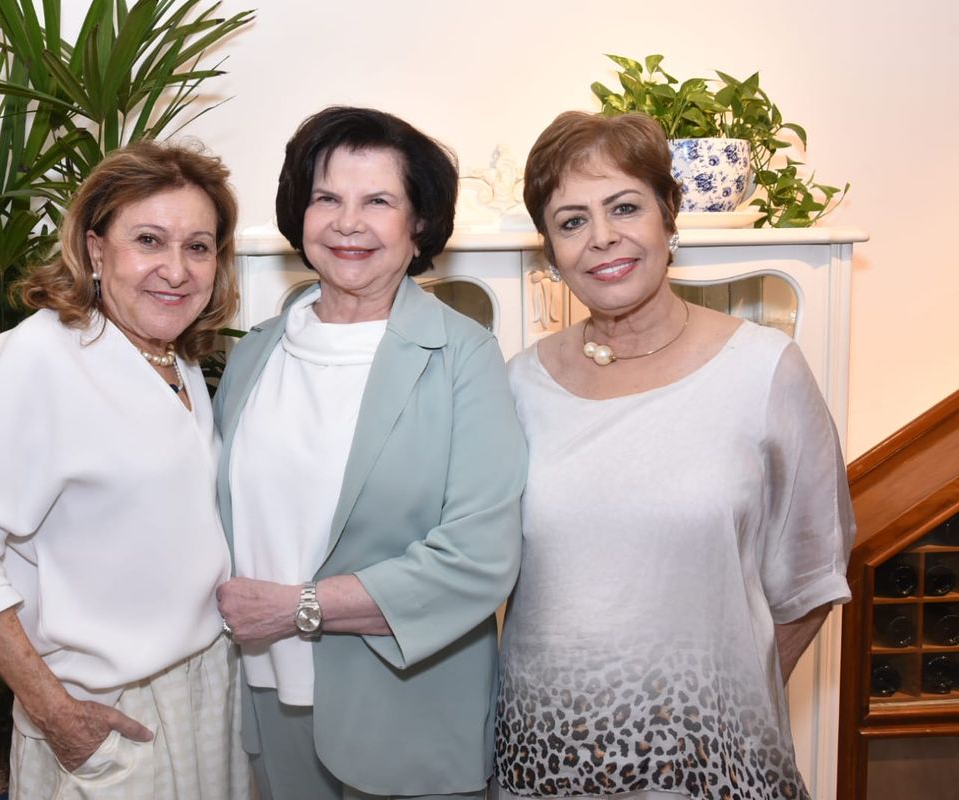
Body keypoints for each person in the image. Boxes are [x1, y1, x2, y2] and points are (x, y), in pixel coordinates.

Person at [492, 110, 855, 800]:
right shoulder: (517, 385)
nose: (602, 238)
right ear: (550, 254)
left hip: (716, 761)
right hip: (543, 757)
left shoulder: (765, 369)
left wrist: (722, 700)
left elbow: (813, 575)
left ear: (669, 219)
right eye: (571, 222)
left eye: (624, 207)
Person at [0, 141, 249, 799]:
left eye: (198, 247)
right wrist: (58, 717)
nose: (176, 270)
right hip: (107, 713)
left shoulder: (175, 361)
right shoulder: (37, 359)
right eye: (149, 240)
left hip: (209, 690)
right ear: (96, 249)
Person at [214, 106, 527, 799]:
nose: (347, 223)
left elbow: (478, 559)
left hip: (408, 721)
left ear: (418, 225)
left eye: (378, 201)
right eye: (327, 198)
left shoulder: (463, 357)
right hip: (271, 710)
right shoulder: (256, 354)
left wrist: (298, 608)